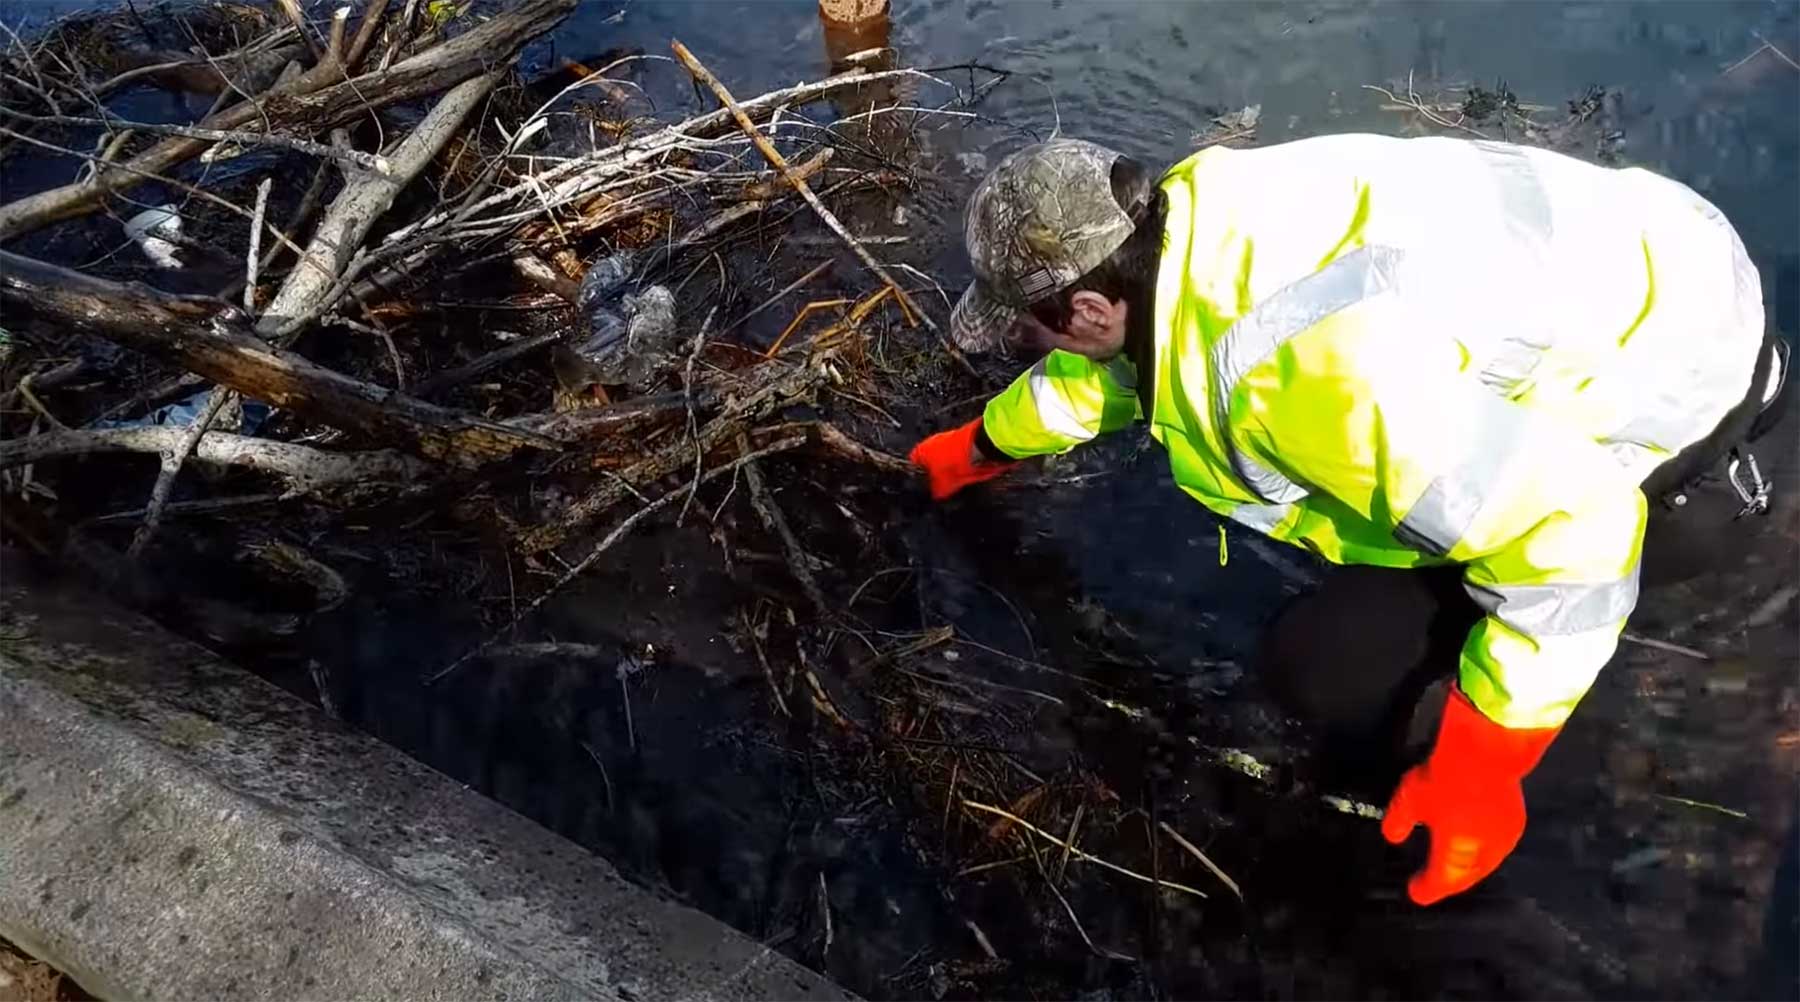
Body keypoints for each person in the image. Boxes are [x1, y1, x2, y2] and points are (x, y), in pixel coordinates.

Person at [908, 135, 1789, 906]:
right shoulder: (1205, 223)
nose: (1033, 348)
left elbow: (1577, 534)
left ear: (1089, 308)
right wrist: (982, 445)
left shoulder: (1305, 386)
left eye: (1030, 333)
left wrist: (1485, 764)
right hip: (1677, 264)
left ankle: (1507, 771)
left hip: (1684, 453)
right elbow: (1119, 367)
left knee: (1324, 669)